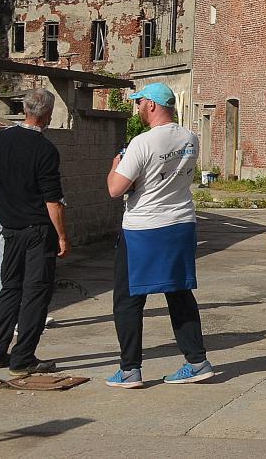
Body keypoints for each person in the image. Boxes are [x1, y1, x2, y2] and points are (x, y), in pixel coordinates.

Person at [104, 82, 212, 388]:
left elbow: (116, 189)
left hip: (143, 228)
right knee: (179, 293)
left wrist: (115, 166)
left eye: (139, 103)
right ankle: (197, 361)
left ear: (151, 105)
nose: (137, 109)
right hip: (180, 223)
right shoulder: (190, 138)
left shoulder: (141, 143)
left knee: (128, 298)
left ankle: (129, 370)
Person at [0, 88, 69, 376]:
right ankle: (23, 358)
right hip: (37, 229)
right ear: (47, 114)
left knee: (9, 288)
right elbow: (52, 201)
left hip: (9, 227)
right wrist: (62, 236)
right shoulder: (44, 149)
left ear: (25, 109)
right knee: (35, 293)